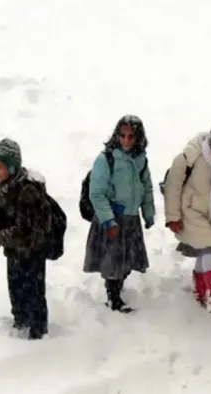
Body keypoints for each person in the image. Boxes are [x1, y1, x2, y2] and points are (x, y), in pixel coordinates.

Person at [163, 122, 211, 312]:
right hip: (191, 210)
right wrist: (173, 216)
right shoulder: (192, 156)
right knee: (208, 248)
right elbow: (173, 186)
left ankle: (200, 290)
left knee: (203, 249)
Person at [83, 115, 156, 313]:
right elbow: (96, 193)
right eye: (122, 136)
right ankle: (113, 296)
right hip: (113, 217)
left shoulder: (140, 160)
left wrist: (148, 213)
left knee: (126, 260)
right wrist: (108, 220)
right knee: (113, 260)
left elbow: (146, 188)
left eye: (131, 137)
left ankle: (117, 288)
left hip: (131, 218)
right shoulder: (106, 159)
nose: (126, 140)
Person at [0, 138, 52, 340]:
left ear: (12, 167)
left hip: (31, 252)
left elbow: (24, 229)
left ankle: (38, 334)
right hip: (14, 251)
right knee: (16, 290)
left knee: (33, 292)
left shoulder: (27, 191)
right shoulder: (2, 187)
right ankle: (20, 323)